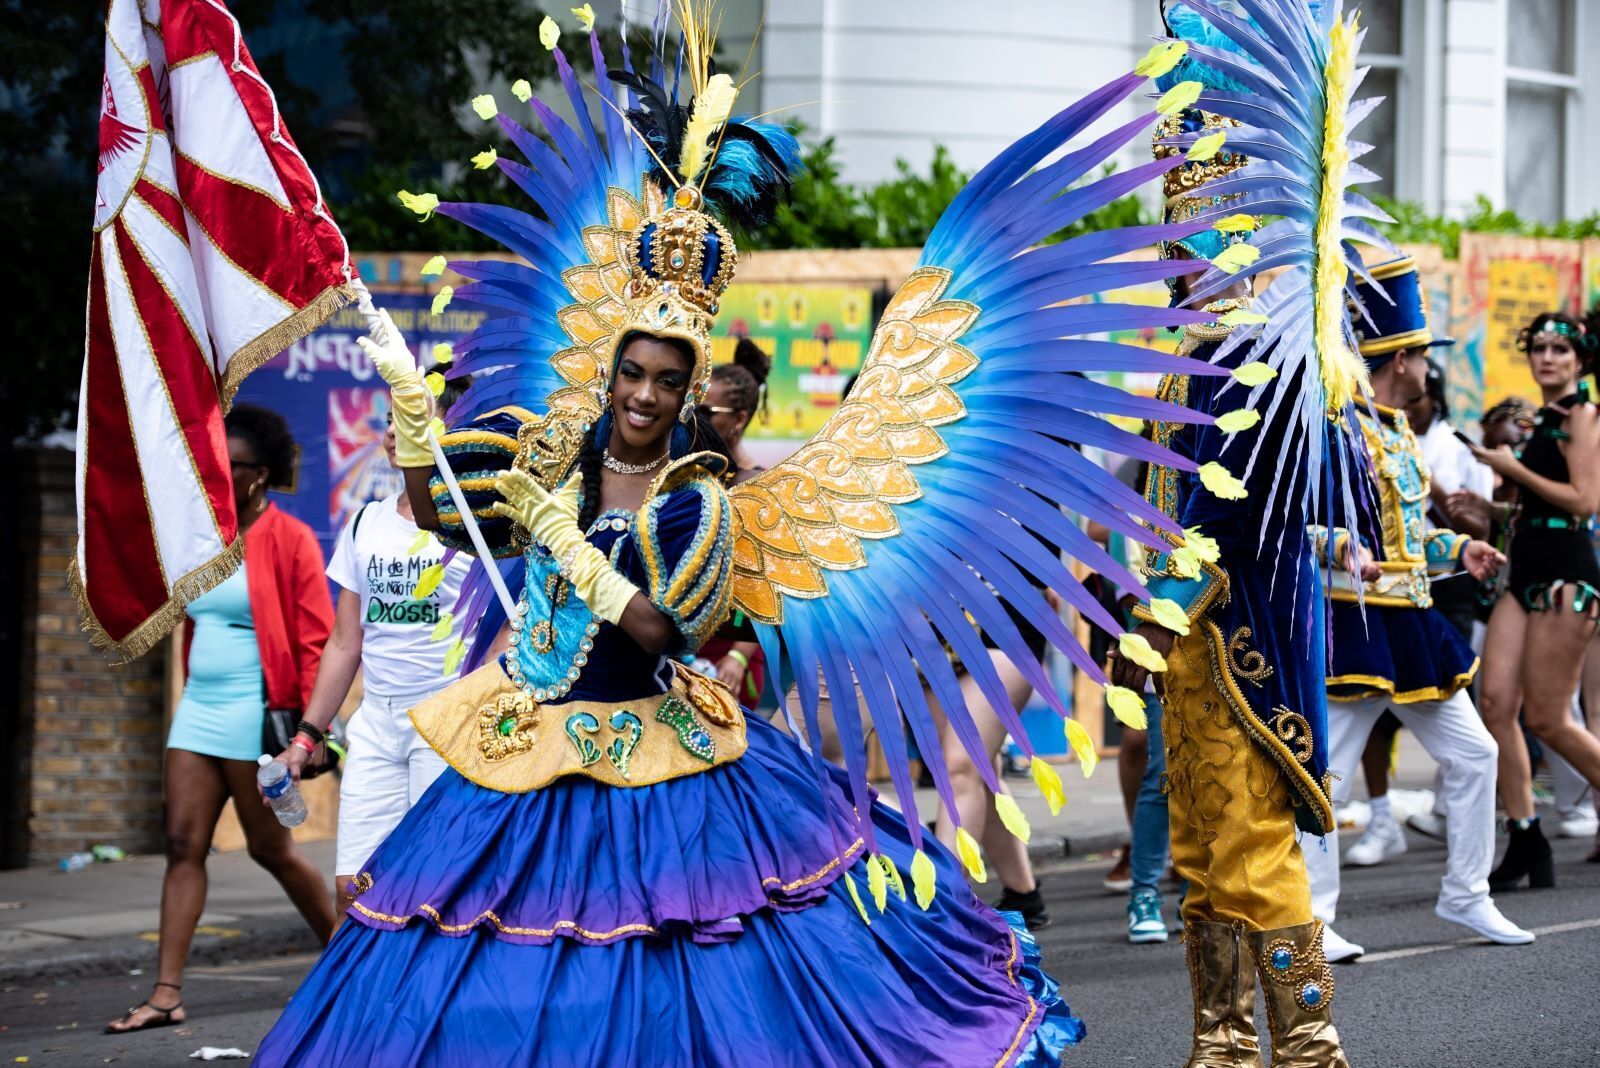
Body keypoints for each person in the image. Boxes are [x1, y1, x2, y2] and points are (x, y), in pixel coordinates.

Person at [253, 26, 1193, 1059]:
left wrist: (566, 545)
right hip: (519, 745)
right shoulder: (554, 450)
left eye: (668, 379)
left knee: (679, 976)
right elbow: (451, 523)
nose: (647, 396)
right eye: (633, 374)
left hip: (659, 751)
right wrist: (419, 442)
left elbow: (664, 628)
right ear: (610, 371)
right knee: (477, 961)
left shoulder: (700, 499)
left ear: (689, 384)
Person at [1109, 23, 1348, 1056]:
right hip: (1186, 654)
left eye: (1192, 229)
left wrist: (1158, 609)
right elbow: (1160, 506)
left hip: (1238, 631)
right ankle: (1221, 1041)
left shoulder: (1265, 354)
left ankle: (1306, 1047)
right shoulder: (1183, 359)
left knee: (1253, 851)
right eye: (1171, 231)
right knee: (1203, 855)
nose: (1179, 250)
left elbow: (1240, 509)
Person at [1301, 257, 1530, 963]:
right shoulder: (1334, 430)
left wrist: (1459, 549)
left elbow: (1411, 536)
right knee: (1324, 776)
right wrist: (1345, 550)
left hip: (1412, 620)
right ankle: (1311, 916)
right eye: (1425, 356)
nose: (1430, 368)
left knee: (1476, 752)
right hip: (1357, 624)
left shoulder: (1398, 432)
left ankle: (1466, 893)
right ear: (1401, 359)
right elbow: (1298, 526)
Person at [107, 404, 335, 1034]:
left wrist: (313, 731)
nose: (217, 475)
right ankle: (165, 993)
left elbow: (319, 639)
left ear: (259, 475)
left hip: (255, 715)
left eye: (229, 467)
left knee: (270, 848)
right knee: (182, 844)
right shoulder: (202, 535)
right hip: (199, 710)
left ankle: (346, 960)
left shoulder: (288, 539)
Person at [268, 404, 475, 920]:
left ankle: (424, 1002)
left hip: (446, 725)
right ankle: (352, 1004)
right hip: (377, 726)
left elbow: (505, 633)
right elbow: (344, 642)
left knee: (432, 896)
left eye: (411, 418)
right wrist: (305, 738)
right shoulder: (365, 522)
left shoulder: (476, 526)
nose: (393, 432)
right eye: (389, 420)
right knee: (353, 891)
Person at [1467, 312, 1600, 890]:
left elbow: (1583, 501)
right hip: (1523, 573)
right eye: (1539, 348)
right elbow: (1537, 510)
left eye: (1559, 349)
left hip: (1565, 577)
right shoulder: (1543, 419)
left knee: (1547, 716)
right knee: (1495, 703)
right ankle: (1526, 836)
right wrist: (1487, 511)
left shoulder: (1583, 415)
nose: (1547, 357)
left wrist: (1512, 468)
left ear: (1578, 360)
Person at [695, 339, 769, 705]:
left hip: (733, 659)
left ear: (739, 418)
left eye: (709, 412)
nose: (696, 419)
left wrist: (740, 656)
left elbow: (767, 588)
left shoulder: (758, 486)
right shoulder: (690, 477)